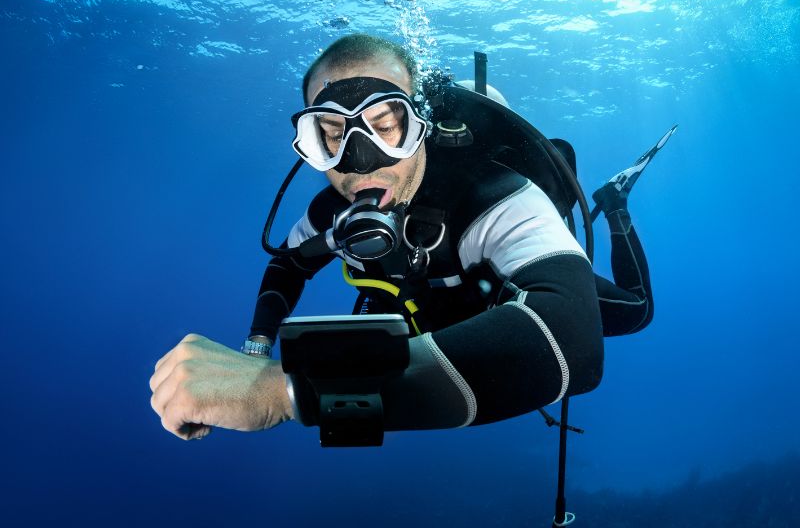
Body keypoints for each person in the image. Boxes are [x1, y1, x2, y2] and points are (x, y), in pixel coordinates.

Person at [150, 34, 653, 441]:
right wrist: (255, 348)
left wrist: (284, 392)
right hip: (437, 332)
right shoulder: (331, 212)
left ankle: (616, 205)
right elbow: (287, 264)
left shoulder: (497, 197)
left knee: (635, 312)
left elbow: (574, 343)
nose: (360, 159)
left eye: (385, 124)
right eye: (330, 134)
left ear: (420, 124)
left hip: (507, 296)